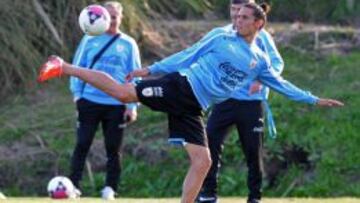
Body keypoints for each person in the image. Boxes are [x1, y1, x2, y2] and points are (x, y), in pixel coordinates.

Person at [37, 2, 343, 203]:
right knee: (121, 93)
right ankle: (63, 66)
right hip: (180, 87)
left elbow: (282, 84)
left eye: (244, 17)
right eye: (235, 15)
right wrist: (153, 69)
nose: (237, 20)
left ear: (259, 24)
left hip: (195, 108)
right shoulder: (220, 38)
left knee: (203, 162)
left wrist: (314, 100)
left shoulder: (260, 61)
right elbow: (188, 55)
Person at [196, 1, 282, 203]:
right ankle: (208, 194)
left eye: (241, 12)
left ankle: (255, 197)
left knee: (253, 152)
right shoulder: (222, 35)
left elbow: (276, 63)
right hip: (224, 101)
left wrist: (261, 80)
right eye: (233, 11)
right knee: (209, 143)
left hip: (251, 105)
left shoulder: (261, 37)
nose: (237, 16)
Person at [68, 1, 141, 200]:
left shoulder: (128, 43)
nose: (111, 20)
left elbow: (134, 75)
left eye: (115, 16)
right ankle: (73, 186)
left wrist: (132, 105)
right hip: (89, 101)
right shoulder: (89, 39)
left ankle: (110, 188)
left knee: (113, 149)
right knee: (82, 144)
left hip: (116, 104)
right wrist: (77, 95)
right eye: (107, 16)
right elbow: (77, 67)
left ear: (120, 18)